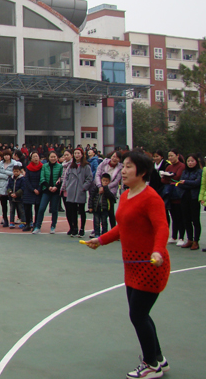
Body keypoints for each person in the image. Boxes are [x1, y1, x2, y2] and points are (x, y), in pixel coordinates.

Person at [85, 151, 170, 379]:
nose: (123, 171)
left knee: (138, 314)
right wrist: (101, 240)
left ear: (142, 172)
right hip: (132, 265)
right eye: (123, 166)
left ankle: (151, 365)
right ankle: (158, 358)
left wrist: (158, 250)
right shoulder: (125, 195)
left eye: (129, 167)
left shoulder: (151, 198)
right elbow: (122, 228)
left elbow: (162, 227)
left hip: (151, 265)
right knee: (141, 314)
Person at [65, 148, 93, 237]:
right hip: (71, 190)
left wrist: (83, 187)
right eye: (75, 153)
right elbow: (66, 177)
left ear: (82, 154)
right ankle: (75, 228)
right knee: (73, 211)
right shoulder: (71, 166)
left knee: (81, 210)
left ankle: (82, 229)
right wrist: (67, 186)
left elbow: (89, 178)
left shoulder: (86, 166)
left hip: (80, 191)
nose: (77, 155)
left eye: (78, 153)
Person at [160, 149, 185, 246]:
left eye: (172, 155)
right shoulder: (169, 166)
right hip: (169, 194)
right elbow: (163, 180)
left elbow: (177, 177)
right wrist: (170, 178)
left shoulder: (182, 166)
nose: (170, 158)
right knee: (173, 216)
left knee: (180, 216)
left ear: (177, 155)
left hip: (178, 194)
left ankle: (181, 237)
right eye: (169, 156)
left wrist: (169, 178)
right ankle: (174, 236)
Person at [33, 151, 63, 234]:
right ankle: (38, 227)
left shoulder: (60, 166)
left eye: (54, 157)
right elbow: (42, 178)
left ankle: (53, 226)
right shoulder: (44, 166)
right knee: (41, 208)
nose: (53, 158)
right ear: (48, 158)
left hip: (56, 192)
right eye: (51, 157)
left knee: (54, 209)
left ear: (57, 157)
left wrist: (56, 187)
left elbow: (61, 178)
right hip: (46, 191)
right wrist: (48, 187)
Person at [177, 154, 202, 250]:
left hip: (194, 198)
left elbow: (197, 183)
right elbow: (180, 184)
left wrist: (186, 182)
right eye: (188, 161)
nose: (190, 163)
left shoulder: (199, 172)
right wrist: (189, 183)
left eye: (192, 161)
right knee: (186, 219)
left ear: (196, 162)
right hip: (184, 197)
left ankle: (196, 241)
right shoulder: (185, 172)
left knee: (195, 220)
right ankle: (190, 239)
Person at [94, 150, 123, 229]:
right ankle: (97, 229)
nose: (114, 159)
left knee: (110, 212)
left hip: (110, 191)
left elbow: (116, 181)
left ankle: (113, 229)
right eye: (113, 156)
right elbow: (97, 174)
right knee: (98, 211)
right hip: (99, 188)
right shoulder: (104, 163)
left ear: (119, 159)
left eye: (117, 157)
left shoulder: (120, 168)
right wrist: (99, 185)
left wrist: (106, 188)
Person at [0, 150, 22, 227]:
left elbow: (15, 173)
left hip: (13, 185)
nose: (6, 156)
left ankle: (19, 219)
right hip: (2, 186)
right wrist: (7, 175)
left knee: (15, 204)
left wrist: (5, 173)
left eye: (8, 155)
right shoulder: (0, 164)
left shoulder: (15, 163)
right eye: (5, 155)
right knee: (3, 205)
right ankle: (5, 220)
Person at [88, 173, 116, 238]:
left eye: (106, 181)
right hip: (96, 208)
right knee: (96, 222)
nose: (105, 182)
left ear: (109, 182)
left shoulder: (109, 190)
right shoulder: (96, 188)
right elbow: (91, 197)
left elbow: (112, 198)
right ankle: (97, 233)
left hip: (104, 209)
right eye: (104, 180)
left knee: (104, 222)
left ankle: (104, 234)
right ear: (101, 180)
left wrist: (105, 189)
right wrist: (90, 207)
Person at [22, 152, 42, 232]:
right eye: (34, 157)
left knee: (38, 208)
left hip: (39, 190)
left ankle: (36, 224)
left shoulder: (42, 167)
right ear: (31, 159)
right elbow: (26, 180)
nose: (36, 158)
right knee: (27, 208)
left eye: (37, 156)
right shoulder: (28, 167)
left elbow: (43, 178)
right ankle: (28, 224)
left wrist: (39, 189)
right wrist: (33, 189)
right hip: (29, 190)